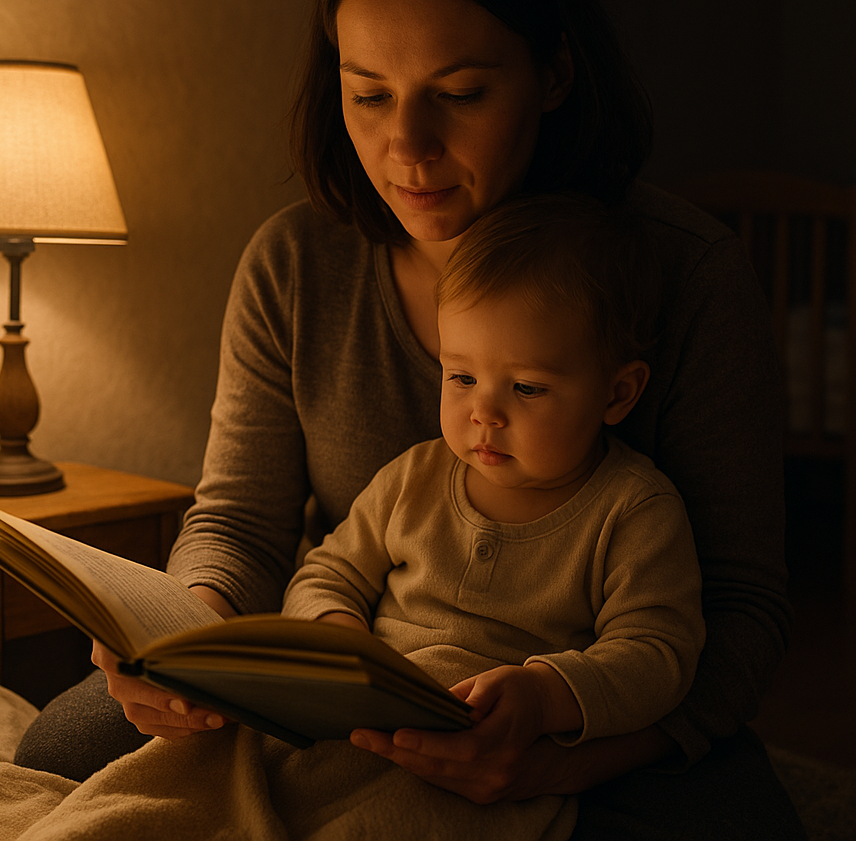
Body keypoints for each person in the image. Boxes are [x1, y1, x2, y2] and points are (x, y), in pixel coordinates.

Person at [16, 0, 803, 840]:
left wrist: (558, 750)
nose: (407, 148)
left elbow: (738, 611)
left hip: (580, 706)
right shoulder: (295, 261)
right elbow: (244, 526)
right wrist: (180, 637)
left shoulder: (683, 273)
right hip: (361, 677)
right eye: (368, 94)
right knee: (63, 746)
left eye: (460, 92)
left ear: (552, 73)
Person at [280, 192, 706, 829]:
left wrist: (543, 697)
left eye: (527, 387)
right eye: (460, 377)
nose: (484, 412)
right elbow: (326, 573)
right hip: (362, 717)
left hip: (479, 757)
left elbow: (657, 654)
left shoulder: (633, 511)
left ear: (618, 393)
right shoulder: (414, 477)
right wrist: (340, 638)